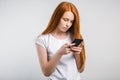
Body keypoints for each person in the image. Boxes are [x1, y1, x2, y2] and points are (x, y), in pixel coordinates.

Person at [35, 1, 86, 80]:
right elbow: (46, 72)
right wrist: (59, 53)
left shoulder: (75, 37)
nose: (68, 24)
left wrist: (77, 54)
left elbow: (81, 69)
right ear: (57, 17)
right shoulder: (42, 40)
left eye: (71, 21)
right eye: (65, 20)